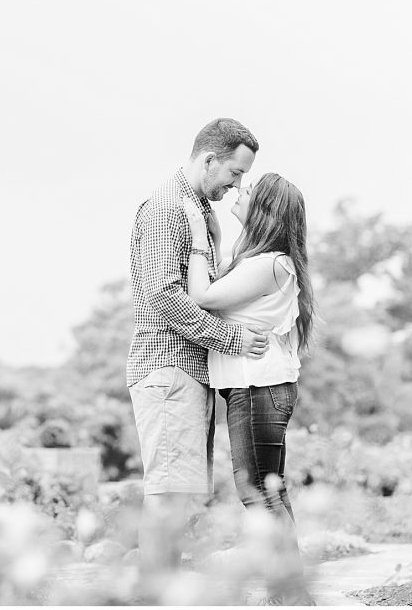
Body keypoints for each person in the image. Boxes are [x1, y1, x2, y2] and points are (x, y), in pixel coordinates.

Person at [126, 117, 269, 575]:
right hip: (168, 369)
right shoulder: (167, 208)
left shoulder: (198, 211)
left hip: (189, 371)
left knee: (181, 498)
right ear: (210, 159)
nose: (237, 184)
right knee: (169, 498)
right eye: (235, 173)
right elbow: (164, 299)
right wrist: (233, 340)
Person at [182, 171, 315, 604]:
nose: (241, 191)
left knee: (259, 492)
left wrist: (200, 234)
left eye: (250, 191)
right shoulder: (261, 259)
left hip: (259, 387)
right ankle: (290, 592)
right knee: (265, 490)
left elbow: (202, 295)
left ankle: (291, 596)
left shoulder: (270, 264)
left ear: (267, 211)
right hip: (253, 388)